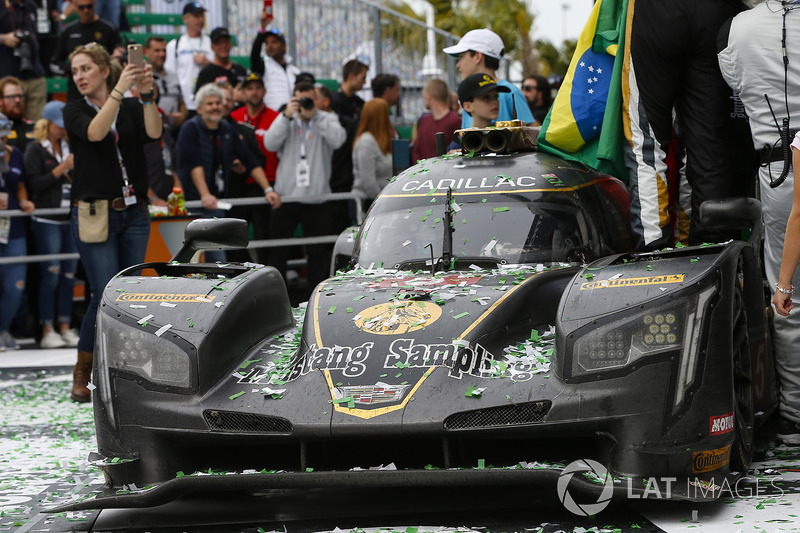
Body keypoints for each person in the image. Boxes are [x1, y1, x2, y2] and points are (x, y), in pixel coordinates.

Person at [718, 0, 800, 444]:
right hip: (786, 167)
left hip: (778, 171)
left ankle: (795, 414)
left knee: (788, 297)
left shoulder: (738, 28)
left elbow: (734, 83)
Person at [62, 42, 161, 402]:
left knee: (131, 294)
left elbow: (153, 132)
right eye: (75, 71)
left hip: (133, 209)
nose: (79, 77)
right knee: (102, 293)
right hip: (93, 212)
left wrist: (147, 95)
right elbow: (95, 132)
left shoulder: (131, 106)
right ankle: (83, 371)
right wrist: (120, 90)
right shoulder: (72, 110)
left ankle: (128, 372)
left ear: (104, 70)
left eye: (86, 69)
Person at [622, 0, 748, 251]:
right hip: (716, 12)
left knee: (647, 140)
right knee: (710, 142)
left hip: (658, 11)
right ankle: (713, 251)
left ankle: (653, 252)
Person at [176, 83, 280, 261]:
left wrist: (267, 190)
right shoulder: (190, 128)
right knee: (198, 262)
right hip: (194, 206)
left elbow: (249, 160)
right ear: (199, 108)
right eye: (210, 103)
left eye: (218, 102)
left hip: (216, 205)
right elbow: (195, 165)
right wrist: (205, 195)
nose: (215, 107)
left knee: (218, 261)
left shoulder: (225, 128)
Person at [264, 81, 346, 294]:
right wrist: (286, 117)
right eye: (300, 99)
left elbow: (339, 140)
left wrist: (315, 115)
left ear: (316, 100)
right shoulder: (285, 119)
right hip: (286, 196)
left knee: (317, 253)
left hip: (317, 198)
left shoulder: (326, 118)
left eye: (309, 99)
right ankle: (275, 297)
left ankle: (314, 298)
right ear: (293, 99)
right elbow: (269, 144)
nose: (305, 103)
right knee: (278, 251)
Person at [23, 99, 79, 349]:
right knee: (51, 275)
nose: (62, 129)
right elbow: (36, 185)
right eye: (58, 125)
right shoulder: (34, 149)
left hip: (69, 217)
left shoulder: (68, 145)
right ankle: (47, 328)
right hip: (46, 219)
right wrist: (62, 168)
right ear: (46, 124)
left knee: (68, 275)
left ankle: (65, 326)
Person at [230, 72, 279, 264]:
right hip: (240, 184)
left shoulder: (275, 117)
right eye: (249, 88)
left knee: (263, 233)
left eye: (258, 88)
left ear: (264, 91)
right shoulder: (233, 117)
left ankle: (264, 270)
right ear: (243, 92)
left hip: (266, 182)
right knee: (237, 233)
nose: (254, 92)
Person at [443, 28, 533, 128]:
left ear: (477, 56)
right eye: (486, 97)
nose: (458, 65)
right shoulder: (469, 93)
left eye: (462, 57)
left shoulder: (511, 92)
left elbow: (531, 134)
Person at [0, 111, 35, 351]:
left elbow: (20, 184)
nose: (3, 141)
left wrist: (24, 200)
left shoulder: (16, 154)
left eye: (4, 136)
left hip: (13, 227)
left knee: (16, 285)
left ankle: (4, 329)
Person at [50, 0, 122, 101]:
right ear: (75, 7)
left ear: (95, 5)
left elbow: (118, 58)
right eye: (81, 7)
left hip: (104, 93)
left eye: (89, 6)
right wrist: (75, 69)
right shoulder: (68, 31)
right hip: (76, 94)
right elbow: (55, 63)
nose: (86, 10)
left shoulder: (109, 29)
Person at [0, 0, 47, 120]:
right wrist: (4, 38)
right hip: (8, 78)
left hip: (34, 74)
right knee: (5, 124)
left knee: (36, 125)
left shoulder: (31, 5)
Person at [164, 1, 212, 114]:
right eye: (196, 16)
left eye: (202, 16)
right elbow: (170, 73)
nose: (200, 20)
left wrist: (207, 63)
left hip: (207, 103)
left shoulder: (210, 43)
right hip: (183, 103)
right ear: (185, 19)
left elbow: (218, 68)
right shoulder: (175, 45)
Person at [249, 11, 299, 112]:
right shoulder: (263, 67)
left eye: (274, 42)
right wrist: (262, 29)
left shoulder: (295, 71)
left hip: (294, 120)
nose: (269, 46)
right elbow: (254, 56)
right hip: (272, 120)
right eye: (266, 43)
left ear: (284, 47)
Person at [352, 99, 393, 213]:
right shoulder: (366, 141)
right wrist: (383, 201)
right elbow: (368, 181)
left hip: (380, 202)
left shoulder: (382, 140)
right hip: (368, 205)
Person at [411, 78, 460, 162]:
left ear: (429, 96)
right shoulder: (424, 119)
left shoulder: (454, 120)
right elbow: (416, 151)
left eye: (424, 96)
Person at [145, 36, 186, 134]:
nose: (162, 54)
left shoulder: (174, 76)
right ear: (146, 52)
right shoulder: (142, 77)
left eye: (164, 50)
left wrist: (182, 115)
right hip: (152, 129)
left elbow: (182, 102)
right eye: (157, 50)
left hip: (174, 129)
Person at [194, 27, 246, 94]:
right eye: (219, 43)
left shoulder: (240, 69)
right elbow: (199, 99)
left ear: (231, 44)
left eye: (226, 41)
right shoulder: (206, 73)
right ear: (212, 47)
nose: (223, 45)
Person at [0, 76, 34, 153]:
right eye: (12, 97)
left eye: (20, 96)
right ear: (0, 100)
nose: (17, 100)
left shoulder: (32, 126)